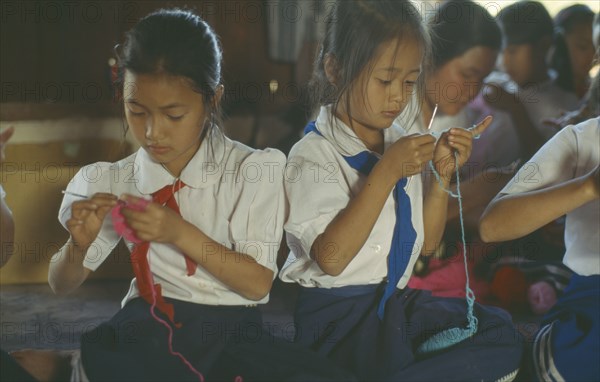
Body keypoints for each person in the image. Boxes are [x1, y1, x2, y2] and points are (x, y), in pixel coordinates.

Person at [48, 9, 354, 382]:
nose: (151, 132)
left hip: (233, 328)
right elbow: (61, 283)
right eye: (136, 110)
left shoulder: (250, 170)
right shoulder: (116, 179)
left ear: (212, 100)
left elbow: (257, 284)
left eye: (173, 115)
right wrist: (77, 246)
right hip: (153, 324)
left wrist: (177, 232)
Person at [279, 1, 523, 381]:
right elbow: (331, 258)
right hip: (337, 318)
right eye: (384, 80)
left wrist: (441, 178)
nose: (397, 97)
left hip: (394, 302)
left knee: (500, 332)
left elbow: (425, 247)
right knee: (394, 359)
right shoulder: (313, 156)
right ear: (335, 68)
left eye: (409, 82)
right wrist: (387, 170)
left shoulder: (401, 140)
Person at [479, 116, 600, 381]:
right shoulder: (583, 139)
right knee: (575, 358)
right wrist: (590, 186)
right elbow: (493, 226)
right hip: (593, 296)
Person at [487, 1, 580, 156]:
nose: (504, 62)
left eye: (512, 51)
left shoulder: (565, 105)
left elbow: (546, 163)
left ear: (544, 46)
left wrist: (516, 109)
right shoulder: (498, 84)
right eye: (501, 53)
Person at [550, 4, 596, 101]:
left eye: (596, 47)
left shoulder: (594, 89)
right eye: (583, 47)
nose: (593, 55)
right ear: (560, 44)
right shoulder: (547, 95)